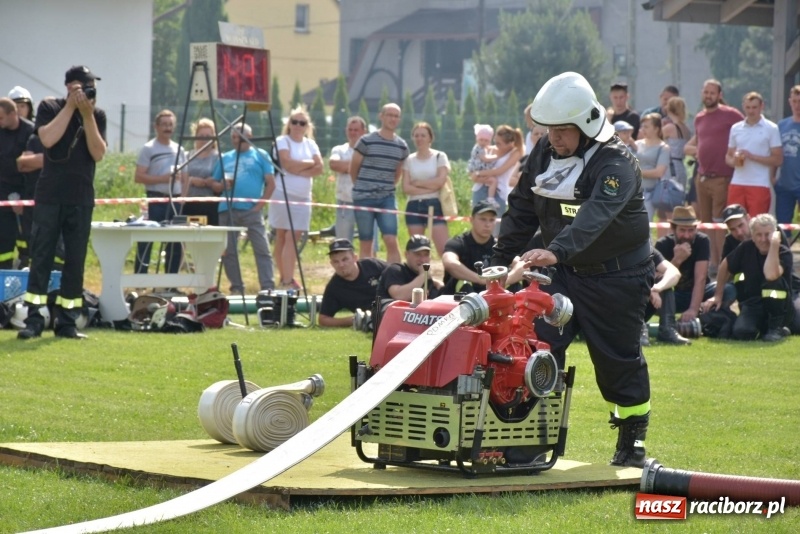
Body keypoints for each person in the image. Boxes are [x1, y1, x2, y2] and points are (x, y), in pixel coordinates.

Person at [492, 71, 653, 468]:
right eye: (549, 129)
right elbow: (523, 205)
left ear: (586, 125)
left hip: (617, 277)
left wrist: (556, 250)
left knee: (617, 361)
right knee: (537, 349)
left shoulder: (617, 163)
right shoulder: (545, 152)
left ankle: (632, 440)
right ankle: (530, 440)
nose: (554, 138)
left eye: (562, 130)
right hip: (562, 272)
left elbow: (595, 217)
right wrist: (499, 256)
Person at [18, 65, 106, 340]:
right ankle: (34, 319)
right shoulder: (50, 107)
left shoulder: (96, 115)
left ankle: (66, 321)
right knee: (41, 257)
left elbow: (98, 153)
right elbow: (47, 138)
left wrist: (87, 115)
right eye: (86, 86)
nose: (91, 91)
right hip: (50, 196)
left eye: (92, 87)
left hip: (81, 197)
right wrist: (70, 107)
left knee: (75, 261)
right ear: (70, 87)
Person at [683, 79, 743, 273]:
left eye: (712, 93)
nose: (708, 96)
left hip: (722, 177)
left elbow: (745, 131)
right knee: (705, 222)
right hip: (701, 177)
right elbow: (698, 142)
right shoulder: (699, 118)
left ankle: (723, 265)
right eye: (706, 92)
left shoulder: (731, 114)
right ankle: (710, 263)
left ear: (719, 95)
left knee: (719, 222)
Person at [714, 204, 800, 334]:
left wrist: (774, 244)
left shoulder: (776, 239)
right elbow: (725, 265)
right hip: (754, 296)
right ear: (753, 237)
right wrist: (717, 296)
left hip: (785, 291)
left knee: (797, 325)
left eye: (741, 225)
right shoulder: (741, 245)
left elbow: (771, 275)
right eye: (733, 229)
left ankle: (776, 327)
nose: (739, 232)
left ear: (748, 219)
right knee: (742, 331)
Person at [213, 122, 275, 294]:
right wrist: (221, 185)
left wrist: (259, 205)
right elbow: (214, 182)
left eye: (239, 137)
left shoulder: (261, 155)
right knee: (229, 251)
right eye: (233, 137)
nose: (236, 140)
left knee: (262, 248)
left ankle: (268, 287)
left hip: (252, 210)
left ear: (250, 137)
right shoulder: (225, 157)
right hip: (227, 209)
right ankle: (237, 287)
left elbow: (271, 184)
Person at [271, 106, 323, 289]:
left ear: (307, 125)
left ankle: (288, 278)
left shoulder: (311, 144)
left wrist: (299, 169)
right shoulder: (282, 141)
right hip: (282, 193)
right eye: (294, 122)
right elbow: (287, 164)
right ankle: (285, 278)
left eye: (302, 123)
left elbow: (320, 168)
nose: (298, 126)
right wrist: (308, 164)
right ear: (289, 124)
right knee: (281, 236)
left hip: (303, 197)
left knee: (294, 236)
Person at [654, 206, 734, 324]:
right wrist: (677, 260)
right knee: (655, 294)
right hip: (673, 296)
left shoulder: (702, 241)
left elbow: (701, 278)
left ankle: (707, 317)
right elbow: (657, 279)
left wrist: (693, 309)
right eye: (682, 230)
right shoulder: (663, 244)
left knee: (729, 289)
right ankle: (668, 324)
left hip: (701, 293)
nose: (687, 235)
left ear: (696, 229)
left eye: (691, 230)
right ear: (673, 229)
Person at [350, 103, 408, 263]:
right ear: (381, 116)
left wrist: (386, 188)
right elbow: (353, 168)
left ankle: (395, 274)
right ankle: (368, 275)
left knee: (391, 239)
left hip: (386, 198)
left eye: (396, 116)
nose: (393, 119)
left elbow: (398, 173)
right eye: (389, 115)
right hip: (363, 197)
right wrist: (361, 187)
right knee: (366, 241)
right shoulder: (366, 141)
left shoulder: (402, 146)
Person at [133, 109, 186, 275]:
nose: (167, 128)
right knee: (146, 240)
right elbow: (138, 176)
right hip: (154, 200)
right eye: (164, 124)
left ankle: (170, 282)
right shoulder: (149, 148)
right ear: (156, 127)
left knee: (175, 242)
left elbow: (185, 178)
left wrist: (183, 198)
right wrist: (162, 179)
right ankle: (140, 278)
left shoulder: (179, 149)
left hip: (175, 201)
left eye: (170, 124)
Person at [725, 92, 783, 217]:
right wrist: (734, 161)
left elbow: (778, 159)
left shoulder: (771, 128)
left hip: (759, 183)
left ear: (762, 106)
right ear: (743, 107)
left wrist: (752, 157)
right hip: (737, 182)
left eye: (754, 107)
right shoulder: (736, 128)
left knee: (756, 223)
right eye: (748, 107)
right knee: (734, 220)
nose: (751, 111)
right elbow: (728, 156)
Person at [402, 122, 451, 256]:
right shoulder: (409, 160)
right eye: (416, 135)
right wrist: (430, 188)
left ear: (430, 138)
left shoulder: (439, 156)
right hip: (413, 205)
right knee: (417, 250)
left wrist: (418, 183)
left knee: (444, 249)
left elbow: (440, 181)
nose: (419, 139)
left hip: (434, 204)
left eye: (423, 135)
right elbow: (406, 187)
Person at [318, 238, 387, 327]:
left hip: (395, 307)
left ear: (355, 258)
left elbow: (397, 274)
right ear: (331, 264)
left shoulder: (373, 265)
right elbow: (323, 319)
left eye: (345, 259)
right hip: (373, 320)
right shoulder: (334, 287)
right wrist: (355, 320)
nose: (341, 265)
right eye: (336, 261)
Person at [0, 97, 34, 268]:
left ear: (13, 114)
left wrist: (23, 199)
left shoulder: (30, 131)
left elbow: (32, 168)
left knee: (26, 237)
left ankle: (25, 265)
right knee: (4, 235)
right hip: (3, 190)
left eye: (1, 117)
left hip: (25, 190)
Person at [440, 200, 497, 295]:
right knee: (464, 284)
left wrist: (505, 279)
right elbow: (449, 262)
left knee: (515, 285)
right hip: (458, 299)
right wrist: (480, 279)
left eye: (491, 220)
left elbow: (520, 264)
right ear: (471, 220)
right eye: (483, 219)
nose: (487, 224)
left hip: (490, 296)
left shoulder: (499, 246)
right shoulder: (458, 242)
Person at [329, 116, 368, 242]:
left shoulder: (369, 151)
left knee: (368, 241)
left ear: (364, 131)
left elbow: (370, 168)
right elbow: (334, 164)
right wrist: (359, 166)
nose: (353, 133)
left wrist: (346, 168)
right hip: (345, 201)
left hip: (366, 202)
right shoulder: (339, 149)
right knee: (343, 242)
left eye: (356, 130)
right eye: (350, 130)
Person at [642, 247, 691, 346]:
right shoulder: (616, 251)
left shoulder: (646, 251)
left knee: (664, 281)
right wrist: (647, 289)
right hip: (619, 311)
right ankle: (638, 331)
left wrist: (657, 288)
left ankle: (667, 330)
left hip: (642, 307)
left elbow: (674, 272)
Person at [470, 125, 523, 213]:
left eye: (499, 143)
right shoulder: (490, 149)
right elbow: (475, 165)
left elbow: (500, 171)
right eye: (495, 141)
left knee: (497, 221)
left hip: (499, 193)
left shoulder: (515, 153)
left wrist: (479, 173)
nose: (496, 145)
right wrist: (475, 176)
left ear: (509, 143)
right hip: (481, 188)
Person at [376, 235, 443, 301]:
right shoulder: (395, 270)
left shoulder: (428, 279)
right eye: (418, 254)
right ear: (406, 254)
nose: (423, 260)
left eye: (426, 255)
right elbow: (399, 296)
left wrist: (440, 287)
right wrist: (423, 275)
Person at [182, 118, 221, 226]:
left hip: (210, 204)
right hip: (189, 204)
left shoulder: (219, 158)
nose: (204, 139)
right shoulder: (187, 156)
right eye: (201, 136)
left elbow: (221, 181)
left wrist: (212, 182)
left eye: (208, 136)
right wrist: (191, 180)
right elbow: (180, 179)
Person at [635, 113, 671, 223]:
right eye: (642, 126)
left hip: (650, 194)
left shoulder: (663, 148)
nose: (643, 129)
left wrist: (636, 172)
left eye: (646, 127)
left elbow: (659, 172)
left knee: (645, 225)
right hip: (633, 192)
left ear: (656, 129)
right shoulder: (637, 144)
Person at [775, 85, 800, 229]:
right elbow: (775, 151)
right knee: (782, 227)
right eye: (795, 101)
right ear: (790, 102)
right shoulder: (781, 125)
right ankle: (786, 244)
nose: (797, 105)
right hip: (785, 184)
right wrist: (772, 176)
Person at [467, 123, 498, 200]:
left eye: (486, 141)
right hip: (479, 168)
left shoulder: (482, 147)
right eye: (481, 140)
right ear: (477, 139)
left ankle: (490, 196)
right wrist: (496, 157)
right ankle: (490, 198)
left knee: (491, 180)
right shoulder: (478, 148)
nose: (483, 142)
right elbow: (485, 159)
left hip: (478, 169)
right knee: (493, 181)